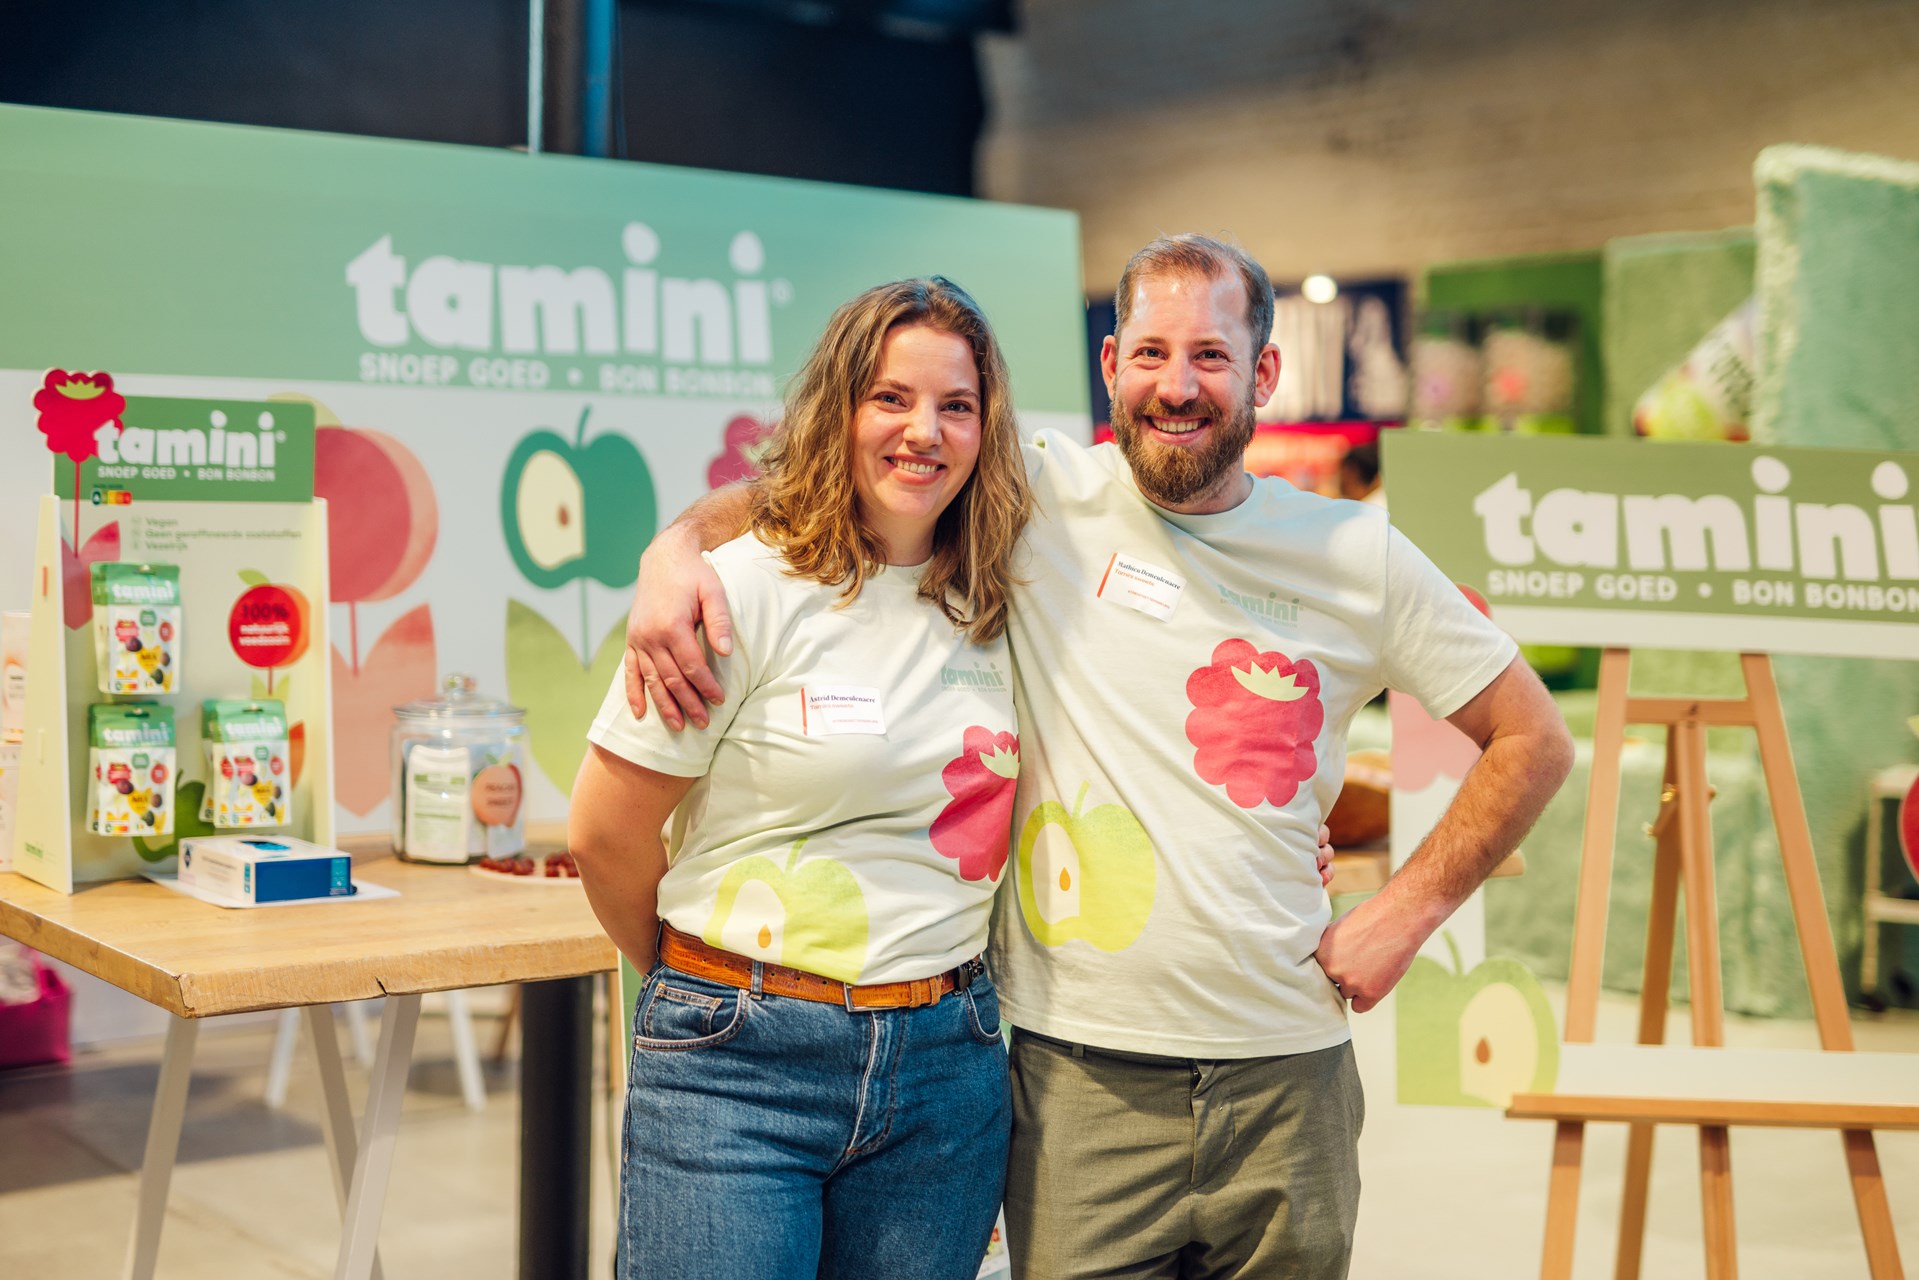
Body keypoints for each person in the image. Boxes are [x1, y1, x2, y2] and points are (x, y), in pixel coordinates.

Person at [622, 235, 1574, 1280]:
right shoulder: (1034, 494)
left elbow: (1531, 736)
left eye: (1210, 356)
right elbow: (829, 484)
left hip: (1286, 1071)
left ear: (1263, 372)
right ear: (1112, 365)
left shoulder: (1356, 555)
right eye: (1152, 353)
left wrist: (1403, 914)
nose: (1177, 385)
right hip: (1079, 1077)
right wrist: (676, 549)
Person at [568, 277, 1034, 1280]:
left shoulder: (1004, 595)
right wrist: (708, 984)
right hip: (737, 1067)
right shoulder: (736, 589)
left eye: (955, 405)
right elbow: (604, 835)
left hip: (946, 1069)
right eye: (890, 397)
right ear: (838, 408)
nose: (924, 431)